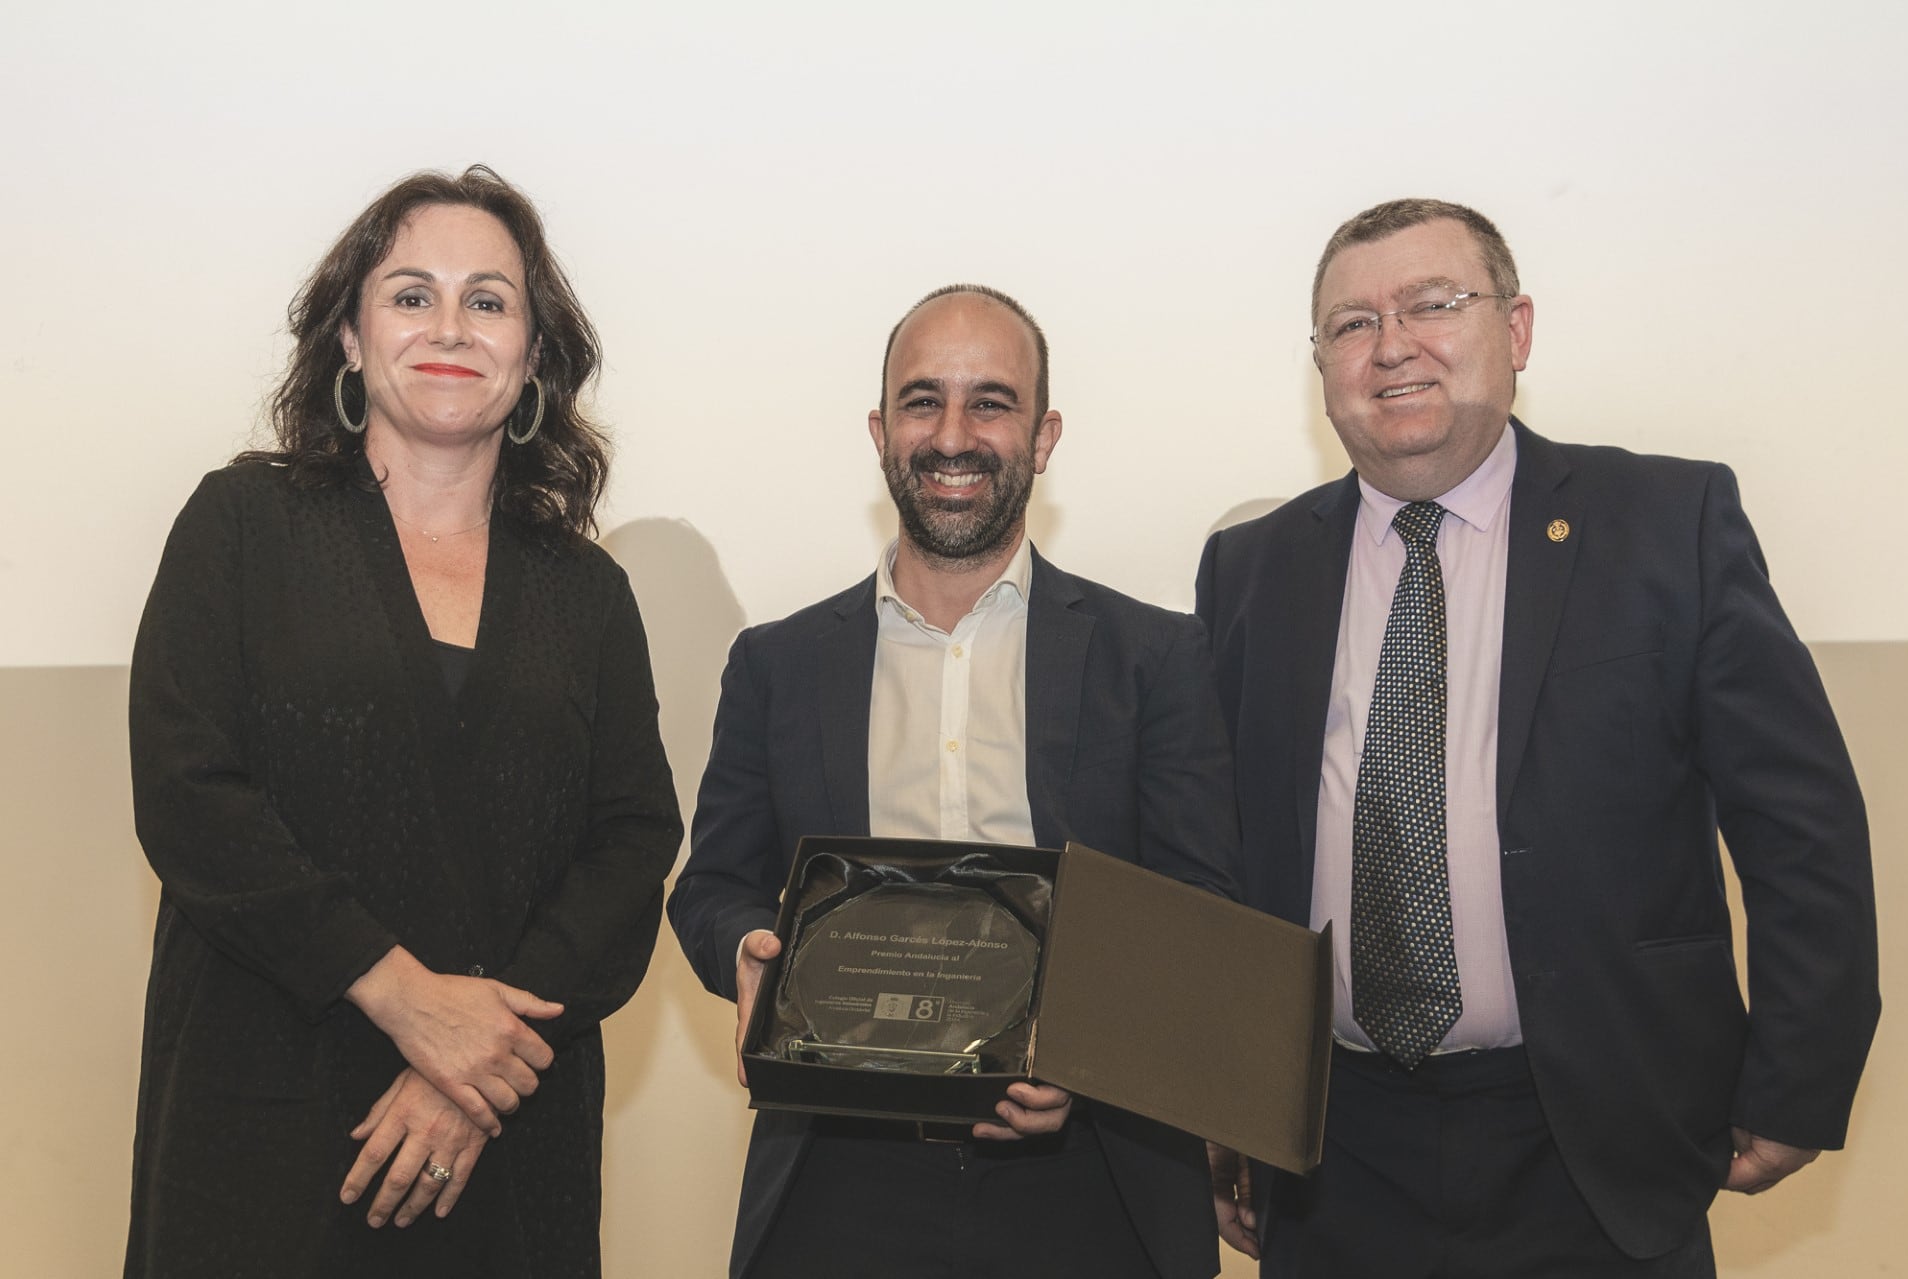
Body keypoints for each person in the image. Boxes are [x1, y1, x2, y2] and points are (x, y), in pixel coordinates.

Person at [1196, 198, 1878, 1277]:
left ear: (1514, 330)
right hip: (1338, 1155)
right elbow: (1227, 865)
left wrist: (1799, 1080)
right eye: (1351, 325)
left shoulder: (1667, 523)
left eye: (1432, 304)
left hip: (1596, 1139)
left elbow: (1803, 829)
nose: (1392, 346)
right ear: (1321, 366)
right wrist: (1223, 1098)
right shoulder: (1251, 570)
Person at [126, 166, 682, 1278]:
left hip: (505, 1139)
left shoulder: (587, 590)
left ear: (532, 353)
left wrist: (468, 1071)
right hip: (267, 1128)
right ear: (348, 333)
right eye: (410, 293)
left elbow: (631, 844)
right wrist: (403, 995)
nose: (450, 328)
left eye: (489, 300)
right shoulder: (241, 524)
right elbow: (189, 793)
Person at [668, 284, 1241, 1279]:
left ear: (1045, 433)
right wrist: (750, 948)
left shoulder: (1153, 658)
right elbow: (710, 887)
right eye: (924, 400)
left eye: (992, 401)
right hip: (836, 1189)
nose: (953, 433)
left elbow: (1205, 917)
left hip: (1094, 1184)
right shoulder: (778, 664)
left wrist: (1087, 1055)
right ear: (881, 428)